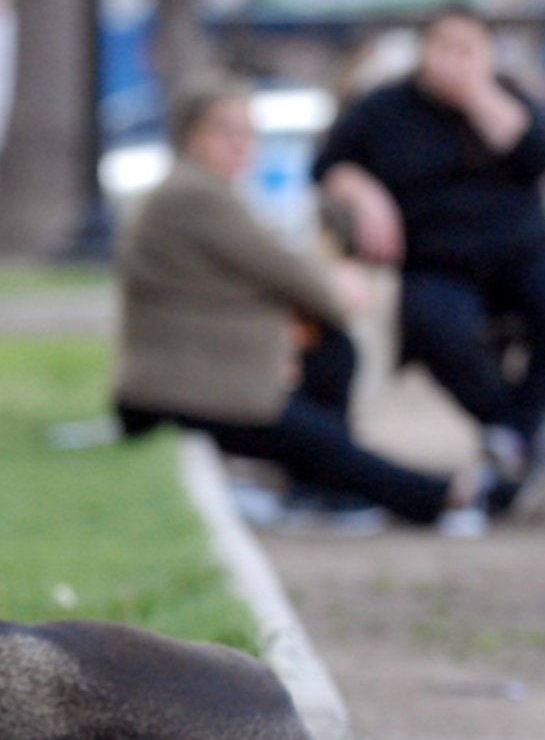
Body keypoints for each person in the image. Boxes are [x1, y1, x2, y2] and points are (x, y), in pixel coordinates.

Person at [112, 75, 506, 535]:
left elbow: (264, 276)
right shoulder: (196, 196)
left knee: (330, 360)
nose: (242, 144)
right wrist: (335, 290)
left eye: (248, 132)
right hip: (181, 394)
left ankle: (321, 491)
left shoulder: (201, 192)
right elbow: (286, 270)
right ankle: (443, 496)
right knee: (321, 440)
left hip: (205, 380)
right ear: (190, 136)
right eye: (226, 130)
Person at [312, 4, 545, 485]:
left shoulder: (508, 99)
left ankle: (517, 432)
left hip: (521, 251)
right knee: (435, 325)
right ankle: (505, 429)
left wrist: (480, 97)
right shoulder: (383, 109)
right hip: (437, 259)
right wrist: (363, 191)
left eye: (467, 49)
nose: (453, 60)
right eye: (444, 47)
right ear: (424, 51)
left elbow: (543, 156)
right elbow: (326, 164)